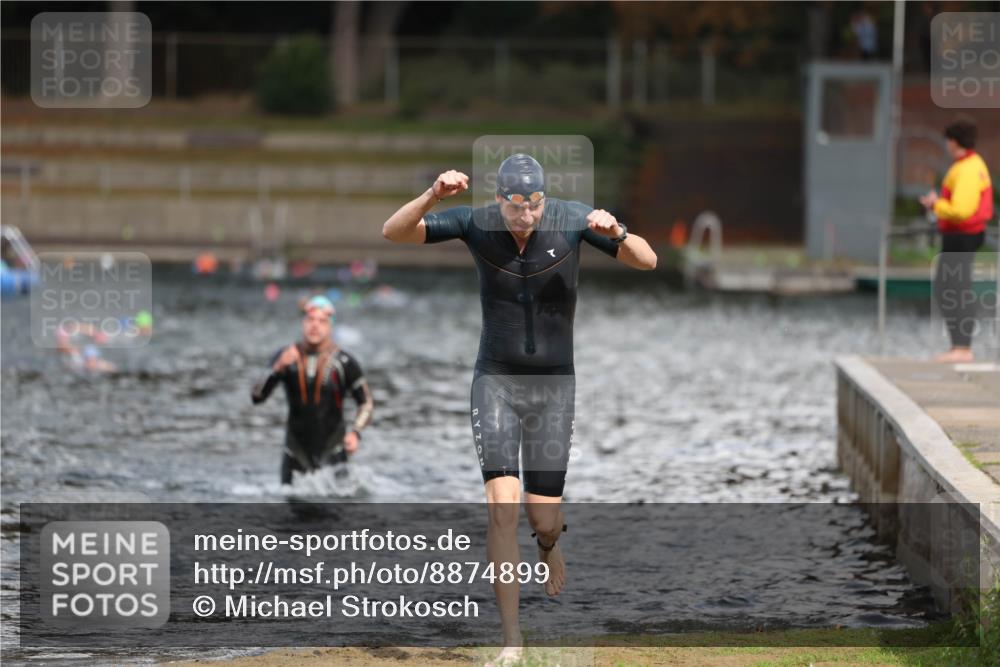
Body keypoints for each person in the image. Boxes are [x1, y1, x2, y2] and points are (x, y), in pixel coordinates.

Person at [382, 154, 657, 665]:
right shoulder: (475, 223)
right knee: (502, 508)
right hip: (497, 382)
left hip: (555, 387)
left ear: (544, 200)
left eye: (534, 205)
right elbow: (394, 232)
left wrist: (617, 232)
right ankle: (512, 641)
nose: (525, 215)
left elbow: (649, 261)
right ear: (500, 200)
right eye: (516, 205)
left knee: (542, 517)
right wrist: (432, 195)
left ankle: (550, 544)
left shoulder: (573, 219)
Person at [251, 295, 374, 484]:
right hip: (295, 452)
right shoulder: (284, 357)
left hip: (334, 451)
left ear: (330, 326)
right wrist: (277, 368)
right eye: (310, 320)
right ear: (303, 322)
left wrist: (356, 432)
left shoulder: (344, 362)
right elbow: (257, 397)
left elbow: (366, 403)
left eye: (322, 321)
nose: (315, 326)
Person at [920, 119, 994, 363]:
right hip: (959, 236)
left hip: (963, 235)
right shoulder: (967, 165)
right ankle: (958, 347)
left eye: (947, 140)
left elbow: (962, 209)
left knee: (956, 288)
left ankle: (962, 348)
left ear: (953, 141)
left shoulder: (968, 169)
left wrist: (936, 204)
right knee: (947, 286)